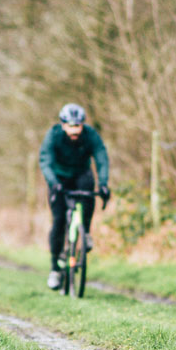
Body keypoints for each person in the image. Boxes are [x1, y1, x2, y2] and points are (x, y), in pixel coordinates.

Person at [39, 103, 110, 289]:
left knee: (88, 194)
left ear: (82, 125)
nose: (74, 130)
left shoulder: (90, 135)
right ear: (63, 125)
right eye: (70, 126)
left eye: (77, 126)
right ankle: (55, 268)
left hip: (81, 174)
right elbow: (45, 160)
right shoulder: (53, 136)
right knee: (59, 221)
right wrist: (53, 182)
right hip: (59, 178)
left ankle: (85, 232)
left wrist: (103, 183)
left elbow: (101, 156)